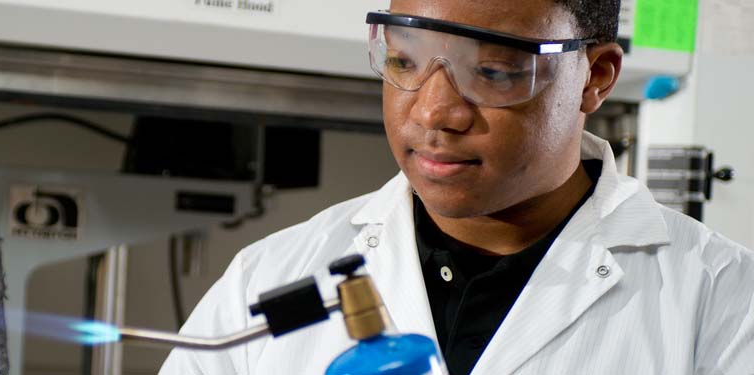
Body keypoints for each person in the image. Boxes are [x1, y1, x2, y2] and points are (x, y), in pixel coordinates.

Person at [160, 0, 754, 374]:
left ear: (595, 77)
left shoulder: (721, 297)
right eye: (403, 63)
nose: (433, 113)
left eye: (493, 71)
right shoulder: (267, 277)